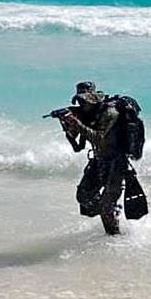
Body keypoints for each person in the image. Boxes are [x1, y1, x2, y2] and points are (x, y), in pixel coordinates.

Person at [61, 81, 128, 235]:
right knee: (84, 196)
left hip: (116, 164)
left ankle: (115, 241)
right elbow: (78, 148)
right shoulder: (89, 115)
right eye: (79, 101)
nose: (81, 104)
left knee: (105, 209)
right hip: (98, 161)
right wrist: (68, 129)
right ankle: (112, 210)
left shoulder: (110, 113)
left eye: (84, 100)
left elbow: (99, 138)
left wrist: (77, 123)